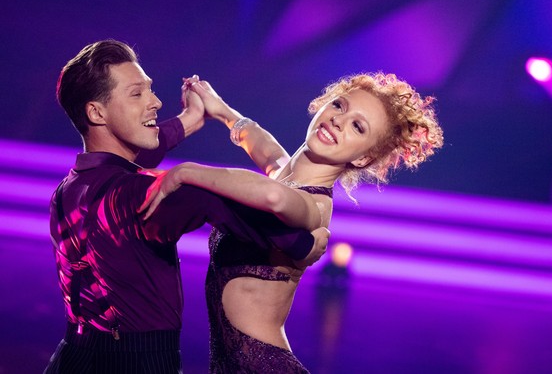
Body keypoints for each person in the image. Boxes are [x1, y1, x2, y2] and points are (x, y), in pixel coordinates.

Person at [44, 39, 328, 374]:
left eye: (149, 89)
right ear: (96, 112)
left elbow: (140, 150)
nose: (155, 101)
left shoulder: (74, 185)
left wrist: (190, 119)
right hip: (138, 364)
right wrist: (300, 244)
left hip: (71, 358)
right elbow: (209, 197)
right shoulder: (140, 196)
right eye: (137, 93)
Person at [139, 72, 444, 372]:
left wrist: (186, 171)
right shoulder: (287, 176)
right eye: (339, 105)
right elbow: (264, 146)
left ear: (364, 158)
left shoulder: (315, 205)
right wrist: (220, 109)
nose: (338, 120)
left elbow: (274, 197)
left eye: (357, 126)